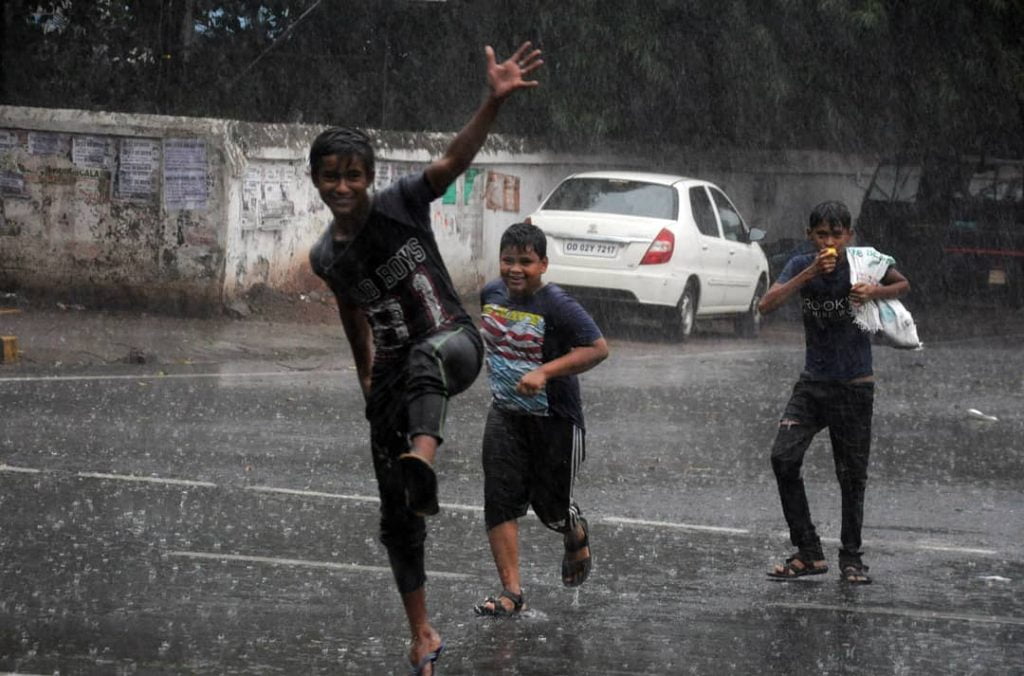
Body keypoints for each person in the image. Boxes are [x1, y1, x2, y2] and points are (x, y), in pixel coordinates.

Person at [307, 42, 543, 675]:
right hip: (393, 380)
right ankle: (422, 634)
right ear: (317, 181)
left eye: (353, 174)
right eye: (331, 176)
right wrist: (362, 374)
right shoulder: (325, 258)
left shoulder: (402, 202)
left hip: (452, 342)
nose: (343, 186)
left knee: (421, 360)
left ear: (369, 176)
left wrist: (492, 102)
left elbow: (454, 157)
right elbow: (352, 311)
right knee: (396, 518)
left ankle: (424, 459)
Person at [757, 200, 910, 585]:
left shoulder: (863, 261)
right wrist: (808, 273)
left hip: (855, 384)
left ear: (849, 236)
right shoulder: (800, 264)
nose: (829, 242)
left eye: (836, 235)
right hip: (813, 384)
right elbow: (766, 304)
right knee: (783, 457)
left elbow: (902, 283)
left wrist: (873, 291)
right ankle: (808, 551)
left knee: (851, 475)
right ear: (810, 236)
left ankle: (852, 559)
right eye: (821, 235)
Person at [474, 222, 609, 616]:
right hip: (505, 413)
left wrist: (545, 372)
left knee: (550, 509)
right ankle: (511, 593)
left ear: (544, 264)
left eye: (526, 262)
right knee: (499, 501)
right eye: (508, 260)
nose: (515, 269)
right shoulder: (490, 294)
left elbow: (598, 349)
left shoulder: (558, 305)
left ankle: (574, 528)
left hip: (555, 420)